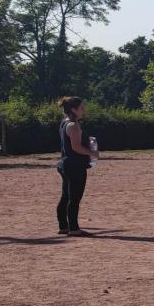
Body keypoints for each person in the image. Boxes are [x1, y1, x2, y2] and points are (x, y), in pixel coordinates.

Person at [56, 96, 98, 236]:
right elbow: (76, 147)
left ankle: (63, 225)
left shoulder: (64, 122)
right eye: (81, 108)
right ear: (73, 110)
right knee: (74, 197)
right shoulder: (73, 125)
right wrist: (92, 153)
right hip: (75, 165)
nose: (84, 110)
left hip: (65, 163)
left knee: (66, 196)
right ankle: (74, 228)